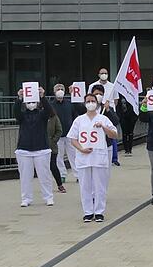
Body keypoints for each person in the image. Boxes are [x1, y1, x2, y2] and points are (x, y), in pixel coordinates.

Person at [68, 93, 119, 222]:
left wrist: (103, 127)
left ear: (97, 103)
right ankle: (88, 212)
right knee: (85, 186)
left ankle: (99, 211)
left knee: (99, 186)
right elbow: (73, 138)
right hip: (83, 157)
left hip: (99, 156)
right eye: (88, 101)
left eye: (93, 101)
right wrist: (81, 149)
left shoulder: (103, 118)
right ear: (85, 103)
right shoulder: (79, 120)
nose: (90, 103)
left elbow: (114, 134)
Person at [15, 86, 55, 207]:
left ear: (37, 103)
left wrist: (43, 97)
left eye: (33, 102)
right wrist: (19, 98)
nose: (31, 104)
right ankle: (26, 198)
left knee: (45, 175)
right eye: (28, 102)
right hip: (24, 149)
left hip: (41, 149)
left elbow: (49, 110)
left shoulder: (42, 115)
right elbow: (16, 111)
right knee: (25, 176)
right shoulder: (22, 116)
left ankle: (48, 197)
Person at [88, 67, 120, 166]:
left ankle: (114, 158)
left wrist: (108, 109)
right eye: (102, 73)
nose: (104, 75)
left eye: (105, 73)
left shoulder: (112, 86)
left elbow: (116, 99)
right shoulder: (92, 85)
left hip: (107, 111)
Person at [52, 83, 77, 181]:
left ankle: (77, 174)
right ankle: (62, 174)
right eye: (57, 89)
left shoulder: (69, 103)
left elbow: (75, 115)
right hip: (57, 135)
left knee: (73, 155)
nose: (60, 90)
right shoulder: (51, 104)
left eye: (61, 88)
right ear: (54, 92)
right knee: (59, 156)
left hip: (69, 134)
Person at [47, 109, 67, 193]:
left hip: (52, 146)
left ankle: (60, 185)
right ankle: (46, 187)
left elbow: (59, 130)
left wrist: (53, 140)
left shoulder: (54, 117)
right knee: (42, 168)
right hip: (40, 146)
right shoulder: (39, 116)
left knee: (53, 166)